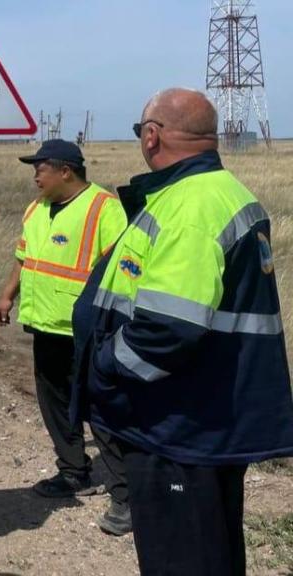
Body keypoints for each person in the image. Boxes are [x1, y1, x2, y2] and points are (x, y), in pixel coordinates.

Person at [72, 88, 293, 575]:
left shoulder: (190, 207)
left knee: (182, 559)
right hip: (205, 416)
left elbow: (168, 329)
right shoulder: (219, 192)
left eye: (140, 131)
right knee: (211, 553)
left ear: (152, 136)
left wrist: (105, 367)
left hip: (177, 424)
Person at [0, 139, 131, 535]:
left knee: (100, 408)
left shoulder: (105, 208)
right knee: (54, 402)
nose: (35, 176)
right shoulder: (36, 208)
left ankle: (126, 496)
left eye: (40, 169)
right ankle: (74, 472)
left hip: (87, 331)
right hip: (45, 325)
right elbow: (24, 258)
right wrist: (7, 295)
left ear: (65, 171)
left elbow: (123, 269)